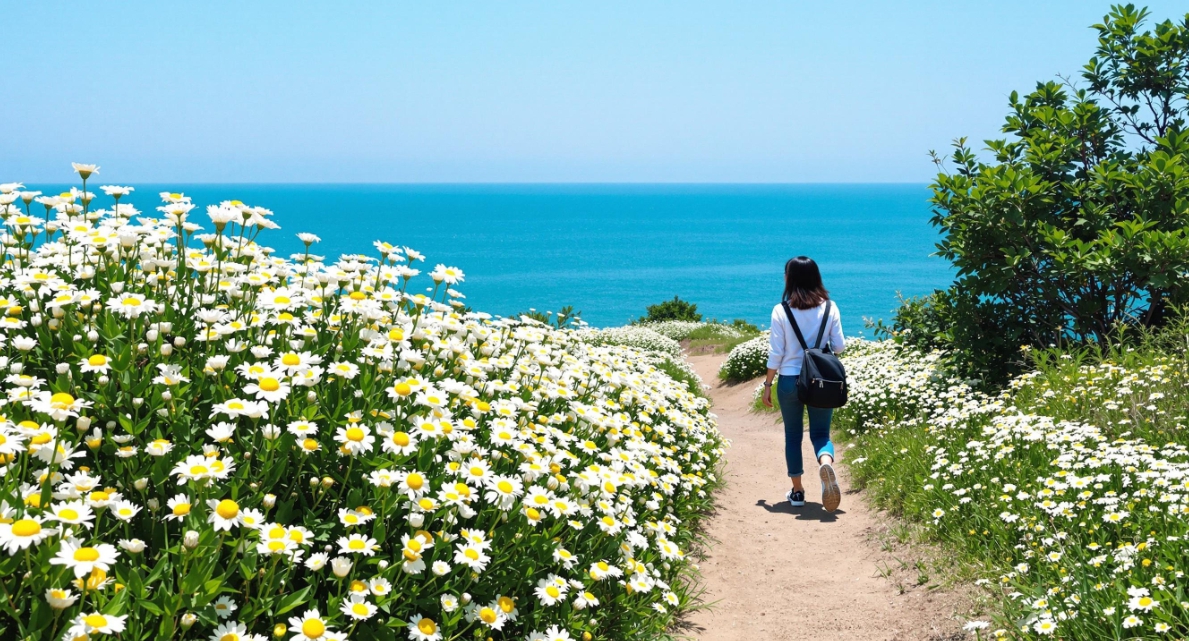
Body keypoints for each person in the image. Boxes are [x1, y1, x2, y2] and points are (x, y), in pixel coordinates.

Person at [761, 256, 845, 512]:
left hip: (789, 380)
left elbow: (776, 352)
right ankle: (825, 463)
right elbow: (840, 346)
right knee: (821, 434)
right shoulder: (830, 307)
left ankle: (797, 492)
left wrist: (767, 384)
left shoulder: (781, 310)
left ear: (790, 278)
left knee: (793, 436)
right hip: (820, 381)